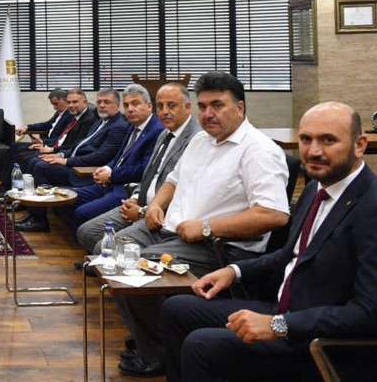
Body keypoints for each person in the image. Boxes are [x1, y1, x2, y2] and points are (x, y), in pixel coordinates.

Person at [161, 101, 377, 382]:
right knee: (177, 309)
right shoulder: (316, 188)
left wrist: (279, 325)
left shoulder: (372, 206)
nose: (313, 151)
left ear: (359, 145)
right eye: (306, 139)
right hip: (285, 310)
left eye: (328, 140)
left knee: (201, 346)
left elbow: (369, 313)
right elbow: (291, 255)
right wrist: (234, 271)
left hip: (322, 342)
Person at [112, 71, 290, 377]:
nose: (208, 114)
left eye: (217, 105)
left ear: (240, 108)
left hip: (216, 246)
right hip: (171, 230)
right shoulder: (199, 140)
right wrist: (156, 205)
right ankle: (153, 336)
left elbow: (274, 214)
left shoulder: (259, 150)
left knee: (135, 270)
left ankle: (156, 353)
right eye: (203, 106)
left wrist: (207, 227)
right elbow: (172, 180)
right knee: (115, 253)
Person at [76, 82, 199, 253]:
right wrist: (135, 197)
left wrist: (142, 211)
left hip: (160, 213)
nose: (164, 111)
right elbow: (150, 174)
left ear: (188, 107)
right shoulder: (164, 134)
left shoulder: (196, 139)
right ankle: (105, 262)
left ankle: (110, 261)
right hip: (138, 198)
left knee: (100, 245)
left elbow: (182, 191)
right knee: (86, 232)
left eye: (171, 106)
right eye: (161, 106)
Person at [68, 84, 163, 225]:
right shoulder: (132, 125)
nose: (130, 109)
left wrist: (111, 175)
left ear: (149, 106)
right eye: (126, 105)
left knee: (82, 212)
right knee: (69, 197)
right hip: (112, 182)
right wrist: (107, 168)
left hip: (128, 188)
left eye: (135, 103)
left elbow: (144, 169)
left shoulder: (157, 131)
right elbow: (120, 157)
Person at [0, 88, 96, 200]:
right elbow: (50, 126)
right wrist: (30, 129)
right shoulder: (74, 114)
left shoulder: (84, 118)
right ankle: (10, 188)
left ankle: (21, 193)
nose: (71, 105)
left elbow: (76, 145)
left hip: (62, 151)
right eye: (70, 102)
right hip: (56, 147)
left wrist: (50, 148)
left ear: (85, 102)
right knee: (16, 147)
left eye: (74, 102)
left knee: (26, 158)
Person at [32, 88, 129, 188]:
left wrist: (66, 161)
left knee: (41, 166)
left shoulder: (118, 126)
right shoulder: (100, 121)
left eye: (106, 102)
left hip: (85, 171)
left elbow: (101, 156)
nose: (101, 105)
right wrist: (60, 154)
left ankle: (44, 196)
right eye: (99, 102)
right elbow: (80, 144)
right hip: (76, 162)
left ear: (117, 105)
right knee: (38, 160)